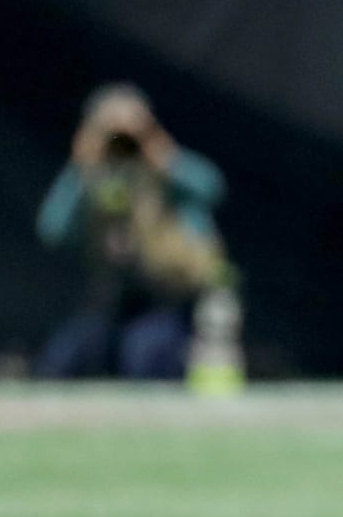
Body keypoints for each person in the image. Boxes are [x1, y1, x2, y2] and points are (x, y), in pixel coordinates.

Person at [36, 82, 231, 380]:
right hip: (116, 302)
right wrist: (82, 166)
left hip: (170, 302)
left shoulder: (165, 175)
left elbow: (212, 187)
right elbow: (53, 229)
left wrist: (161, 155)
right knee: (65, 358)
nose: (122, 141)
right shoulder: (96, 177)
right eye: (113, 131)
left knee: (145, 354)